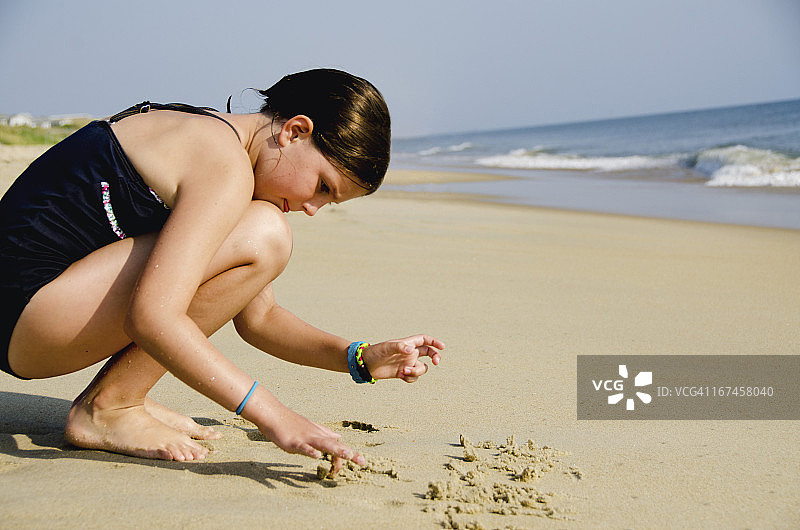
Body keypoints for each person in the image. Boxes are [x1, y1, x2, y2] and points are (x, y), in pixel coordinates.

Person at [0, 68, 444, 475]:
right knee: (266, 234)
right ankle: (109, 408)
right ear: (295, 130)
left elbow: (259, 319)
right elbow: (152, 317)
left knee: (264, 234)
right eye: (323, 187)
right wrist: (275, 416)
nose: (312, 209)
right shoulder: (223, 166)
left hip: (28, 315)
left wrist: (360, 358)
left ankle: (118, 400)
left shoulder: (215, 135)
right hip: (29, 315)